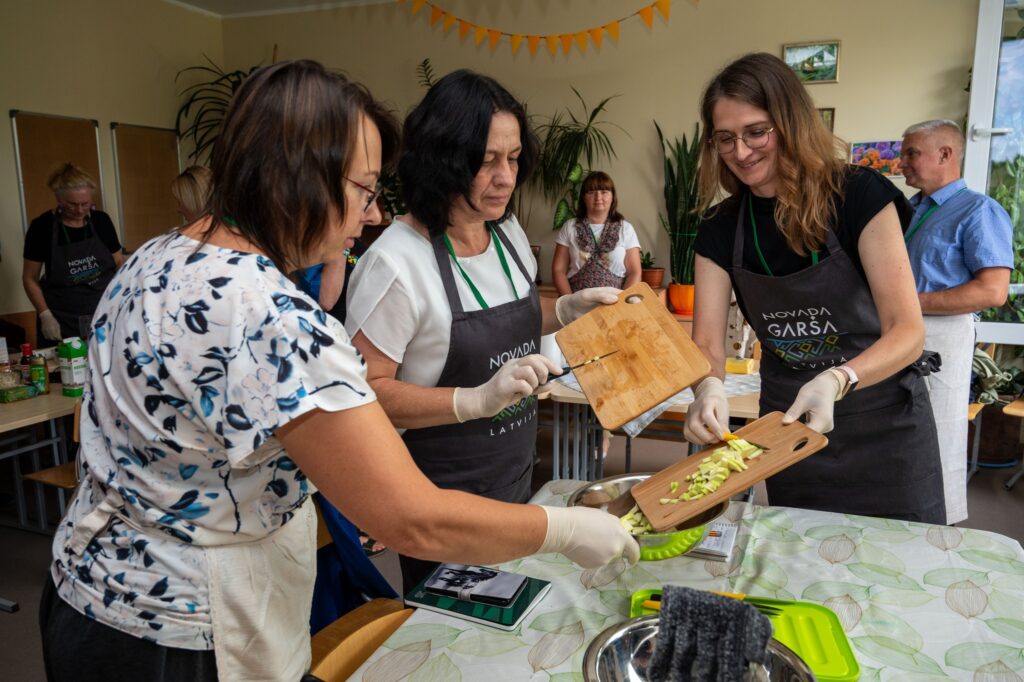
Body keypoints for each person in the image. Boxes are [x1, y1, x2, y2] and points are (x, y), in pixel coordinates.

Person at [39, 60, 637, 682]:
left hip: (86, 591)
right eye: (364, 191)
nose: (371, 216)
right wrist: (565, 528)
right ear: (299, 179)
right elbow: (411, 517)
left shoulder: (154, 257)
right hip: (180, 632)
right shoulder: (274, 317)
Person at [345, 69, 621, 592]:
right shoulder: (395, 264)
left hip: (518, 480)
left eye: (513, 158)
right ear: (443, 159)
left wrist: (565, 309)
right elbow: (367, 394)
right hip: (444, 503)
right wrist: (472, 401)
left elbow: (514, 313)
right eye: (486, 160)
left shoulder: (507, 232)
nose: (505, 178)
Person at [685, 52, 946, 523]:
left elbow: (907, 331)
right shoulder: (720, 229)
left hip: (885, 427)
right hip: (791, 430)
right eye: (725, 138)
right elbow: (706, 343)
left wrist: (836, 379)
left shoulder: (858, 195)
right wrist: (707, 386)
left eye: (756, 132)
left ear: (791, 123)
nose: (741, 152)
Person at [901, 119, 1013, 525]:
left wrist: (909, 303)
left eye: (911, 153)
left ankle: (937, 528)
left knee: (936, 435)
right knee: (897, 434)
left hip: (941, 336)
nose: (901, 163)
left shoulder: (979, 210)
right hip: (898, 331)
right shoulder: (907, 210)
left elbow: (993, 292)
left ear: (945, 154)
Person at [22, 163, 125, 343]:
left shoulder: (101, 221)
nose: (79, 210)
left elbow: (119, 262)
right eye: (72, 204)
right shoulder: (42, 227)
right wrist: (45, 315)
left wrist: (121, 298)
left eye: (85, 204)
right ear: (58, 198)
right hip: (62, 319)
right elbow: (29, 277)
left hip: (104, 312)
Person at [552, 170, 642, 294]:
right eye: (591, 192)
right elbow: (558, 270)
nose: (598, 197)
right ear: (583, 197)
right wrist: (569, 301)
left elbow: (635, 272)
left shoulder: (625, 228)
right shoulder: (570, 227)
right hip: (577, 301)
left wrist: (622, 303)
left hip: (615, 302)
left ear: (612, 196)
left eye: (604, 192)